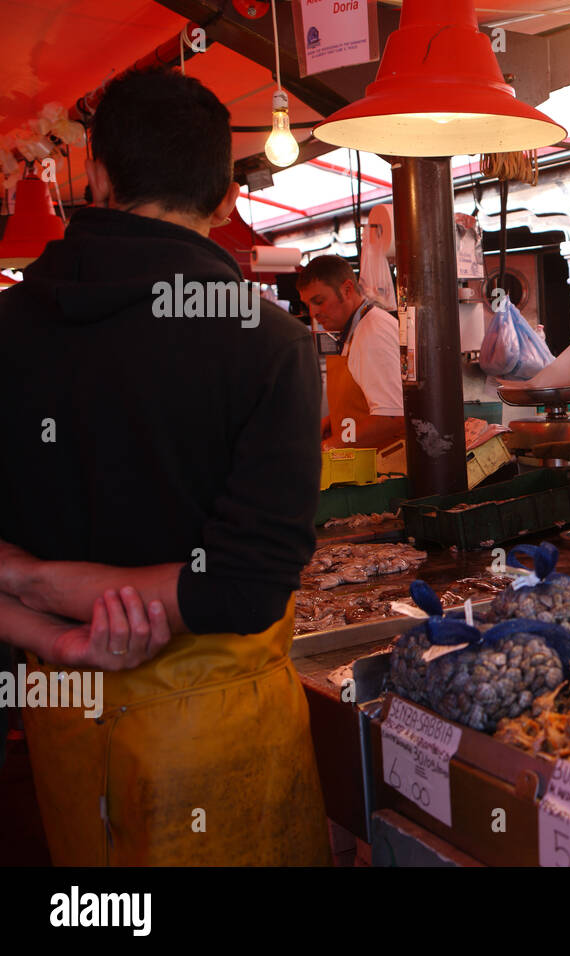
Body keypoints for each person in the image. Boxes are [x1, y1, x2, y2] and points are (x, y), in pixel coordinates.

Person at [0, 67, 331, 865]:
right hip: (216, 740)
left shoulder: (7, 326)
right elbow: (245, 585)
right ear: (226, 198)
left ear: (101, 177)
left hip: (63, 711)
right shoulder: (271, 341)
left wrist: (40, 594)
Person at [297, 255, 405, 451]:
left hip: (384, 470)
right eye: (308, 305)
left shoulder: (373, 332)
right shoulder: (355, 329)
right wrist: (333, 422)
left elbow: (392, 417)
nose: (313, 313)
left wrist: (329, 447)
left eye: (319, 301)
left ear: (347, 290)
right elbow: (364, 403)